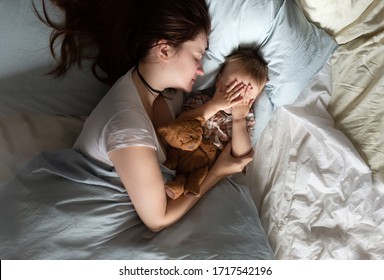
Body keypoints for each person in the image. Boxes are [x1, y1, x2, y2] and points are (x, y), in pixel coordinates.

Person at [37, 0, 253, 232]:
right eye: (197, 56)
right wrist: (217, 172)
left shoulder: (168, 96)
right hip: (78, 222)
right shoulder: (127, 123)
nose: (201, 69)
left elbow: (186, 125)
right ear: (164, 50)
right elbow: (158, 220)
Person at [179, 48, 268, 159]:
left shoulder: (246, 118)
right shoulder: (201, 100)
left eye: (243, 96)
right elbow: (179, 125)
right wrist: (214, 105)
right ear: (218, 80)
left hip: (213, 166)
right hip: (184, 156)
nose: (233, 98)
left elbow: (241, 156)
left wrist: (239, 119)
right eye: (229, 88)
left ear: (252, 101)